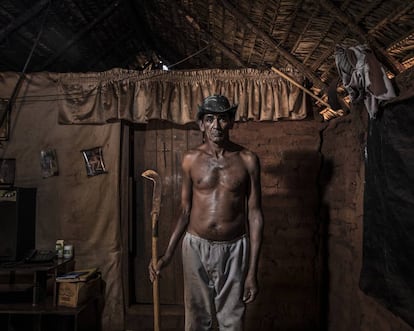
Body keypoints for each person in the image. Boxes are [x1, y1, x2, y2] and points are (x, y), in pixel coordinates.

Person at [149, 94, 264, 331]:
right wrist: (167, 255)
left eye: (222, 119)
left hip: (234, 248)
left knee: (232, 321)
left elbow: (254, 214)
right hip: (195, 247)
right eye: (210, 119)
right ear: (201, 124)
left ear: (231, 121)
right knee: (196, 320)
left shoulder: (248, 160)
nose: (216, 125)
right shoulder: (191, 159)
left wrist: (252, 271)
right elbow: (185, 210)